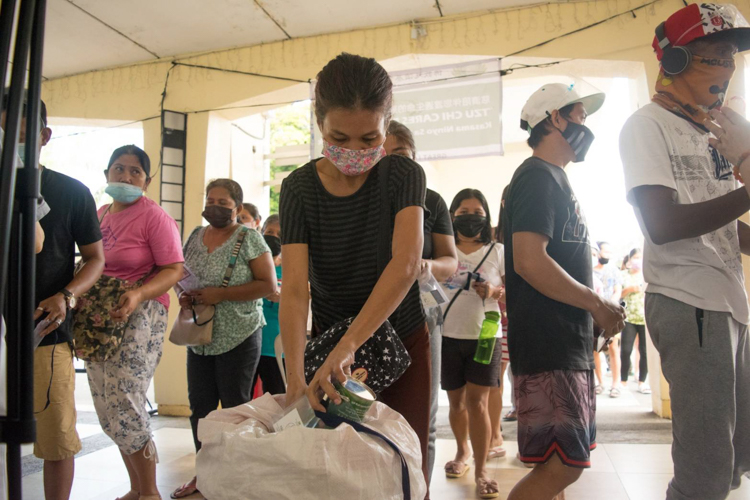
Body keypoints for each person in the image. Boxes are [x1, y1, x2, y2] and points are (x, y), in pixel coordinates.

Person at [279, 53, 432, 497]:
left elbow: (405, 265)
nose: (355, 152)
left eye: (370, 139)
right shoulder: (299, 187)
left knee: (401, 466)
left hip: (399, 340)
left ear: (388, 127)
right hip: (329, 348)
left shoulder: (403, 175)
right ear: (318, 123)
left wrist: (351, 344)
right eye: (338, 137)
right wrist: (293, 376)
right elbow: (294, 289)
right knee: (336, 474)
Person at [619, 4, 750, 497]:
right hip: (688, 300)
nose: (727, 68)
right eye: (714, 56)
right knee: (706, 466)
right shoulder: (648, 125)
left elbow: (721, 229)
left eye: (731, 58)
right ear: (672, 61)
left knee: (738, 451)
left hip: (727, 303)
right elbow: (663, 223)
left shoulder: (709, 128)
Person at [504, 83, 625, 500]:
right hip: (549, 346)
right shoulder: (537, 176)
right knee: (564, 465)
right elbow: (529, 260)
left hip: (560, 346)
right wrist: (598, 304)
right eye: (579, 117)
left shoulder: (553, 178)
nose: (584, 127)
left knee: (555, 465)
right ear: (554, 118)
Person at [2, 96, 106, 500]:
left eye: (24, 138)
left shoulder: (70, 192)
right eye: (6, 135)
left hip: (45, 330)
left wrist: (66, 295)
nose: (13, 146)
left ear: (45, 136)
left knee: (57, 435)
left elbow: (96, 259)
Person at [86, 145, 184, 500]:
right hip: (99, 315)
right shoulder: (98, 214)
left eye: (135, 171)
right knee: (106, 405)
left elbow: (174, 269)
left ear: (147, 180)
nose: (126, 177)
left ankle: (150, 492)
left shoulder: (154, 217)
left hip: (140, 312)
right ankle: (136, 487)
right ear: (106, 174)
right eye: (119, 169)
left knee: (126, 400)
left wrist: (139, 294)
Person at [171, 180, 276, 499]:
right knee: (199, 408)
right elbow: (180, 273)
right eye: (210, 199)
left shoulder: (249, 238)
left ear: (238, 207)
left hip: (239, 333)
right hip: (200, 335)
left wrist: (221, 294)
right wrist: (183, 294)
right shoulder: (194, 236)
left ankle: (237, 475)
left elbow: (268, 284)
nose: (214, 205)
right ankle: (205, 474)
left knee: (234, 407)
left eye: (222, 201)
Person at [384, 120, 458, 484]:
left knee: (421, 417)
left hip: (422, 312)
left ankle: (418, 488)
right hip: (371, 313)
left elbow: (450, 260)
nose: (393, 165)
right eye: (382, 156)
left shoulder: (431, 201)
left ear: (415, 157)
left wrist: (424, 265)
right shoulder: (364, 197)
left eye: (400, 156)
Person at [440, 189, 504, 499]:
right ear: (451, 215)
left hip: (485, 337)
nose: (470, 216)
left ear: (486, 216)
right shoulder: (442, 249)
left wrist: (493, 291)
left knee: (478, 403)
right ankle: (461, 451)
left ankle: (481, 470)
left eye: (477, 211)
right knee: (456, 404)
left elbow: (509, 289)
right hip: (447, 335)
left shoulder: (498, 251)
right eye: (463, 211)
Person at [250, 214, 287, 397]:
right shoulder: (251, 264)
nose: (273, 237)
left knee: (277, 396)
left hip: (277, 345)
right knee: (244, 396)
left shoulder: (292, 267)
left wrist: (283, 296)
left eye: (279, 234)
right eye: (269, 231)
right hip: (249, 340)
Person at [593, 241, 624, 398]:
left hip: (611, 314)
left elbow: (618, 290)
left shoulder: (614, 271)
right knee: (595, 349)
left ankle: (615, 384)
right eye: (605, 252)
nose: (608, 255)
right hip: (594, 315)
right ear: (598, 253)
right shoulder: (590, 270)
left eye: (610, 253)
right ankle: (600, 383)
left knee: (613, 348)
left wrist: (609, 306)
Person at [619, 248, 649, 394]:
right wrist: (629, 289)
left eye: (640, 257)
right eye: (635, 257)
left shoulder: (646, 275)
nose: (637, 260)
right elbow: (618, 294)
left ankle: (642, 381)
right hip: (628, 317)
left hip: (645, 318)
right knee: (625, 350)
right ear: (630, 260)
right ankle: (623, 381)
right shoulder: (623, 275)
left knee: (644, 351)